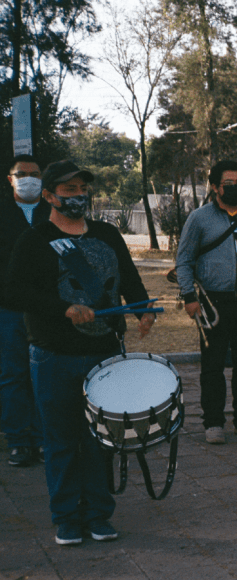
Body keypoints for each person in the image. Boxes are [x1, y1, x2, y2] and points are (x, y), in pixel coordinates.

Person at [6, 160, 156, 545]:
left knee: (99, 440)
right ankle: (67, 518)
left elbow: (129, 277)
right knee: (61, 440)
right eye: (68, 190)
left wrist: (141, 310)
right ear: (49, 196)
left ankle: (98, 514)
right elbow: (14, 292)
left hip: (104, 352)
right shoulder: (35, 239)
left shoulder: (107, 233)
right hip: (54, 354)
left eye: (81, 189)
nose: (77, 196)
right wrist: (64, 309)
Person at [176, 160, 237, 445]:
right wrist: (189, 297)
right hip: (212, 303)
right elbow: (183, 261)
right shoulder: (199, 218)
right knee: (213, 366)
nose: (235, 188)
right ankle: (213, 423)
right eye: (228, 184)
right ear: (215, 187)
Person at [1, 155, 51, 467]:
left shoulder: (53, 212)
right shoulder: (3, 213)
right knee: (13, 374)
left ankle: (46, 438)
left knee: (45, 374)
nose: (28, 179)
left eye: (34, 174)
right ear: (11, 179)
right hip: (9, 308)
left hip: (48, 308)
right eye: (22, 174)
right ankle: (18, 439)